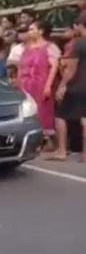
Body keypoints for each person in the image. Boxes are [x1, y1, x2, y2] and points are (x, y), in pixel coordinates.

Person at [50, 14, 86, 161]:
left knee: (60, 116)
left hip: (76, 85)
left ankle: (62, 150)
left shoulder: (78, 44)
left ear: (80, 26)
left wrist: (62, 86)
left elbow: (70, 68)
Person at [19, 20, 60, 148]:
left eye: (32, 29)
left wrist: (48, 86)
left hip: (41, 83)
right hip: (26, 83)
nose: (29, 32)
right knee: (28, 112)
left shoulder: (50, 47)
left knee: (45, 112)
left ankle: (56, 143)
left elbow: (54, 67)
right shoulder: (26, 48)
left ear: (41, 31)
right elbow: (20, 66)